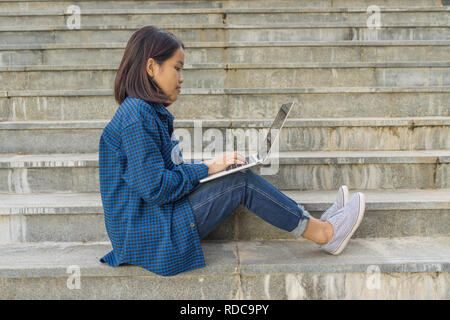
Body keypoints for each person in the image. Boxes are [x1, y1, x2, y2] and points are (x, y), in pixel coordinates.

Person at [98, 26, 366, 277]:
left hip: (150, 223)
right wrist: (207, 168)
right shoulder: (136, 116)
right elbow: (156, 187)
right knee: (240, 180)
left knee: (231, 172)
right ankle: (325, 234)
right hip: (148, 234)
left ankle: (314, 221)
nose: (181, 78)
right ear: (151, 67)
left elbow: (158, 175)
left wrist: (211, 167)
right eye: (177, 68)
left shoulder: (144, 111)